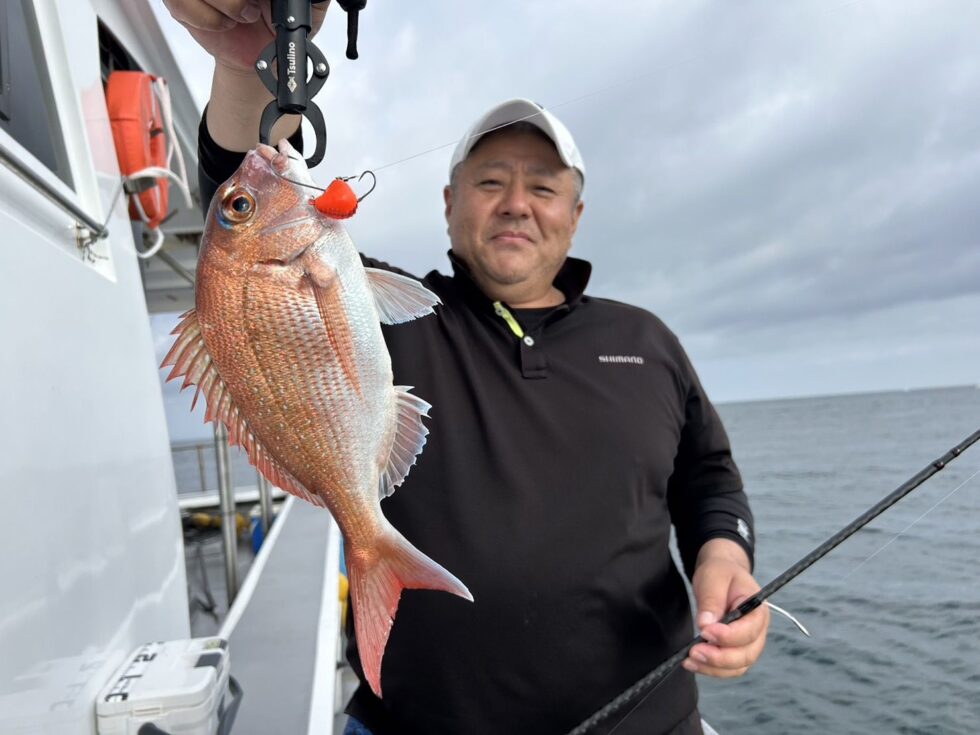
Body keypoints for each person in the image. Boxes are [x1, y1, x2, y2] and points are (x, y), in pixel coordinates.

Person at [165, 2, 770, 733]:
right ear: (449, 203)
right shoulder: (407, 316)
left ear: (575, 214)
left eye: (543, 186)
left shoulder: (647, 339)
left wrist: (725, 551)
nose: (517, 204)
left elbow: (709, 475)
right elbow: (234, 218)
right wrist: (244, 61)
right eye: (490, 182)